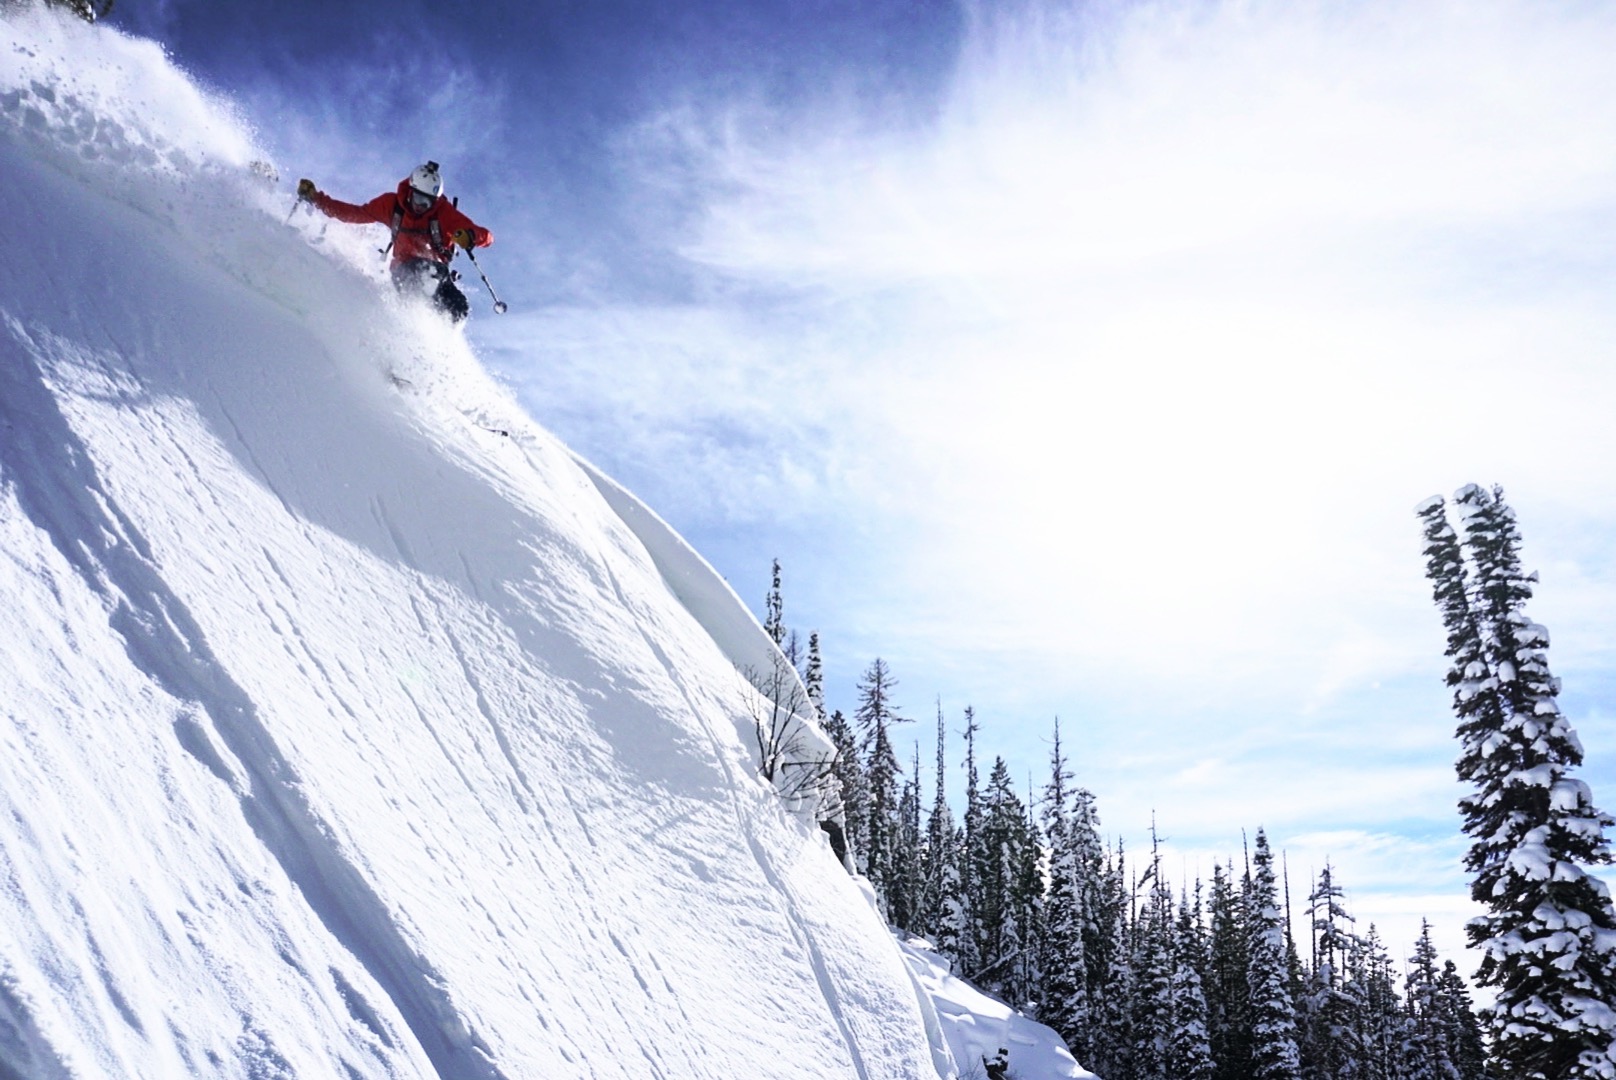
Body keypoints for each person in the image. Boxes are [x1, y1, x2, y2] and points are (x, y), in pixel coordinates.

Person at [296, 161, 493, 322]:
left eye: (427, 202)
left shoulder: (443, 213)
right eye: (417, 198)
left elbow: (486, 236)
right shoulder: (391, 205)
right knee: (424, 276)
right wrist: (316, 198)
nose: (420, 206)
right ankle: (406, 332)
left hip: (438, 271)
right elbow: (353, 214)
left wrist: (471, 236)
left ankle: (439, 350)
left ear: (436, 200)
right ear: (410, 190)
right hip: (404, 267)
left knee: (459, 308)